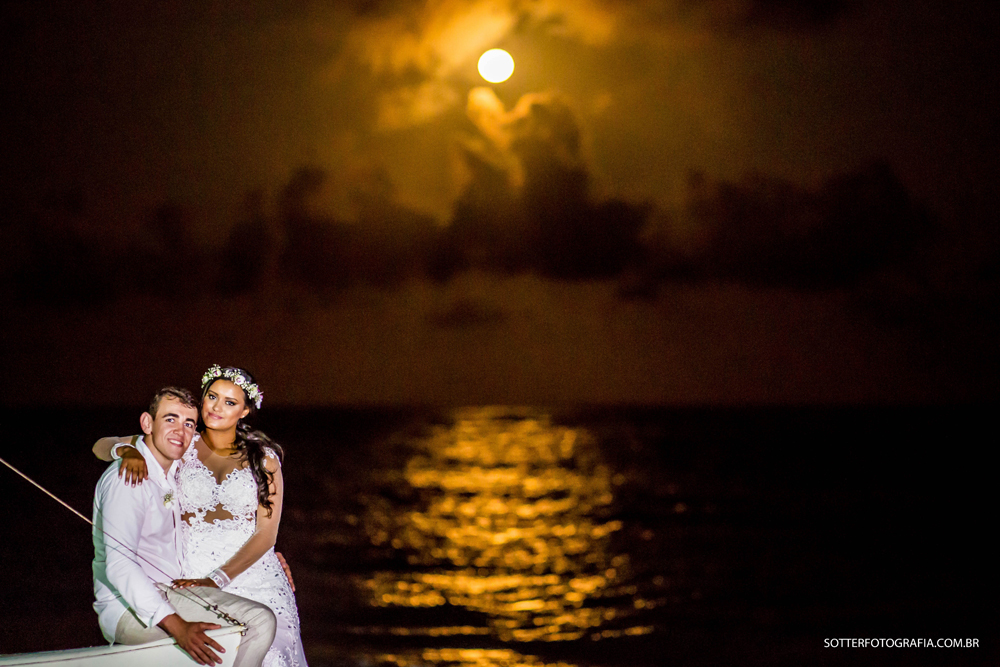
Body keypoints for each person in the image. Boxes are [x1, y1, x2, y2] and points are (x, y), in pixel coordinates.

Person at [94, 367, 306, 667]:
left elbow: (266, 534)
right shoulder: (182, 444)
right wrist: (127, 452)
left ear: (245, 411)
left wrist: (216, 579)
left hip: (253, 575)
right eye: (212, 397)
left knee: (270, 651)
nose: (217, 407)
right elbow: (101, 445)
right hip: (191, 572)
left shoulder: (264, 458)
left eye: (230, 403)